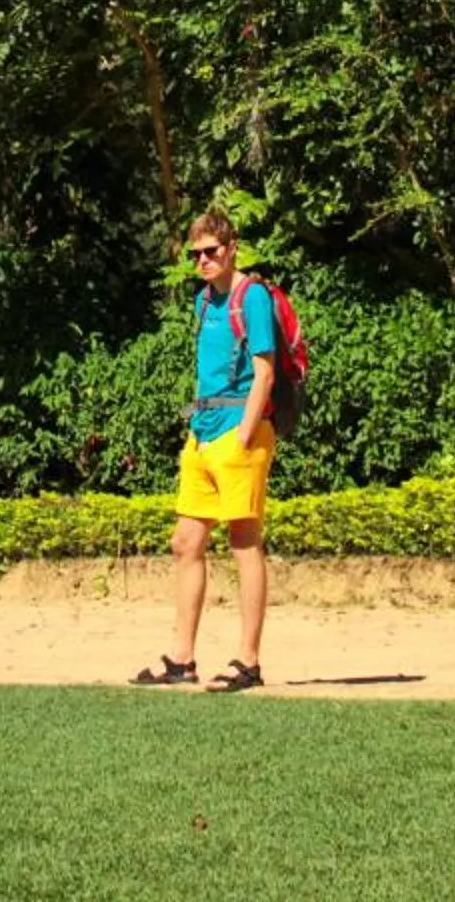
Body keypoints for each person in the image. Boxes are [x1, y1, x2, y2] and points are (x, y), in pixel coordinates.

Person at [131, 208, 276, 693]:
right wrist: (198, 430)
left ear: (231, 248)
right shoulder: (203, 304)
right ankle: (182, 658)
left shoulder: (251, 298)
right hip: (202, 431)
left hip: (238, 432)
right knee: (186, 542)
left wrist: (244, 433)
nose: (203, 261)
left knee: (243, 541)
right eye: (196, 255)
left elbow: (265, 371)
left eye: (211, 252)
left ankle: (248, 661)